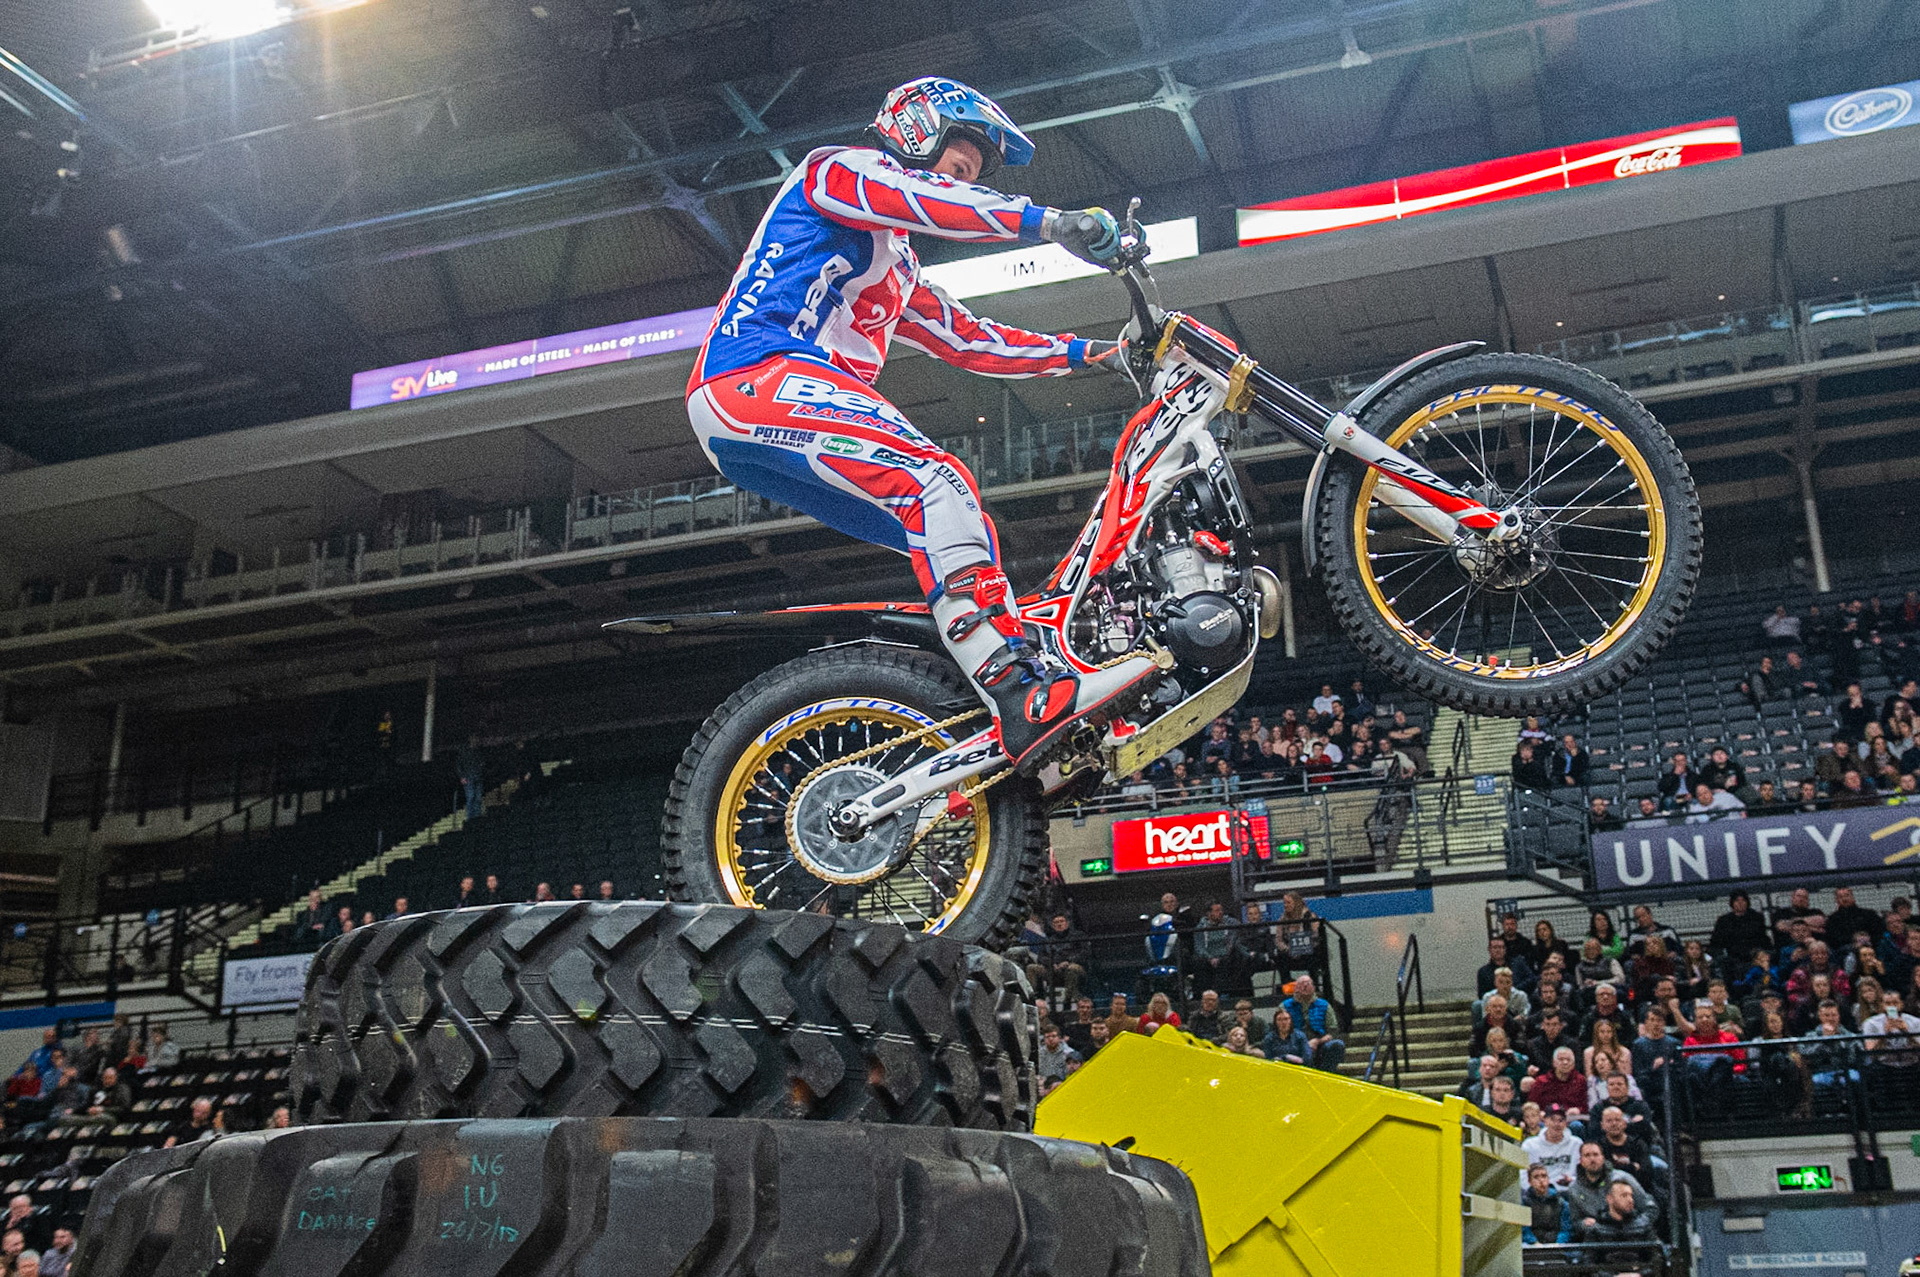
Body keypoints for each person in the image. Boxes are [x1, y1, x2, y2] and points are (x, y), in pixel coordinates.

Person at [685, 76, 1154, 772]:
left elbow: (970, 338)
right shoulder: (837, 171)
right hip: (752, 373)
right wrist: (1052, 224)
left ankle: (987, 693)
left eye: (971, 172)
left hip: (767, 415)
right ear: (914, 131)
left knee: (952, 519)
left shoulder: (896, 263)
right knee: (936, 481)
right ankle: (1016, 688)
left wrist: (1095, 354)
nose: (962, 177)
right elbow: (930, 200)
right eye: (956, 163)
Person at [1281, 975, 1345, 1070]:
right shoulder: (1285, 1006)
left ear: (1314, 988)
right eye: (1302, 984)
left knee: (1337, 1044)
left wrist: (1318, 1041)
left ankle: (1326, 1074)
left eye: (1308, 984)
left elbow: (1333, 1031)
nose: (1305, 986)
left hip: (1319, 1044)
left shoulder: (1324, 1005)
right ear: (1296, 988)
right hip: (1294, 1045)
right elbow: (1280, 1031)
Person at [1029, 913, 1088, 1006]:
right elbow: (1041, 957)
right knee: (1031, 968)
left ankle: (1068, 1000)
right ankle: (1032, 998)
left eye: (1061, 921)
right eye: (1056, 922)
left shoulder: (1078, 935)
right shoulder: (1048, 940)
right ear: (1053, 926)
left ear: (1067, 923)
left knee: (1072, 968)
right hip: (1052, 970)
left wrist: (1068, 961)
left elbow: (1085, 953)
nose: (1059, 924)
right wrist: (1052, 963)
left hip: (1073, 967)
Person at [1520, 1104, 1581, 1188]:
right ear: (1544, 1121)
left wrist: (1571, 1181)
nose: (1557, 1124)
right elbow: (1523, 1175)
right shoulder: (1530, 1145)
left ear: (1566, 1123)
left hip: (1570, 1192)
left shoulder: (1576, 1144)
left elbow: (1582, 1175)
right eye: (1552, 1120)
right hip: (1540, 1194)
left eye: (1561, 1120)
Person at [1582, 1179, 1655, 1245]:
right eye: (1624, 1195)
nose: (1630, 1200)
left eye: (1631, 1195)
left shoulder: (1644, 1226)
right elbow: (1589, 1257)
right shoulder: (1596, 1230)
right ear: (1609, 1198)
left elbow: (1657, 1255)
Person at [1709, 891, 1770, 966]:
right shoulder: (1723, 921)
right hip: (1732, 955)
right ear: (1732, 903)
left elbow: (1762, 937)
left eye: (1743, 900)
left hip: (1753, 953)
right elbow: (1716, 941)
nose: (1740, 903)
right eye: (1737, 900)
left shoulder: (1756, 917)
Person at [1522, 1164, 1574, 1245]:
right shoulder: (1524, 1203)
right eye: (1536, 1177)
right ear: (1530, 1181)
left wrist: (1558, 1244)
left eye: (1544, 1176)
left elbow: (1566, 1229)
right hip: (1532, 1247)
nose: (1541, 1180)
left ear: (1548, 1179)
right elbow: (1524, 1229)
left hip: (1557, 1246)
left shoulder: (1561, 1203)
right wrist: (1534, 1243)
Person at [1531, 1048, 1588, 1119]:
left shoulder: (1580, 1080)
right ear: (1554, 1063)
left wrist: (1578, 1110)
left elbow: (1586, 1105)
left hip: (1572, 1119)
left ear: (1573, 1064)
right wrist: (1540, 1113)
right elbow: (1532, 1105)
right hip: (1547, 1119)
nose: (1565, 1062)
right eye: (1561, 1059)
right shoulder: (1541, 1081)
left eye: (1568, 1060)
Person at [1825, 885, 1883, 950]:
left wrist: (1866, 940)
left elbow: (1878, 932)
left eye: (1847, 895)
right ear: (1836, 900)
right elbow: (1833, 940)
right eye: (1840, 897)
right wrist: (1854, 941)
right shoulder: (1832, 920)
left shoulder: (1869, 914)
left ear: (1853, 897)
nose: (1844, 899)